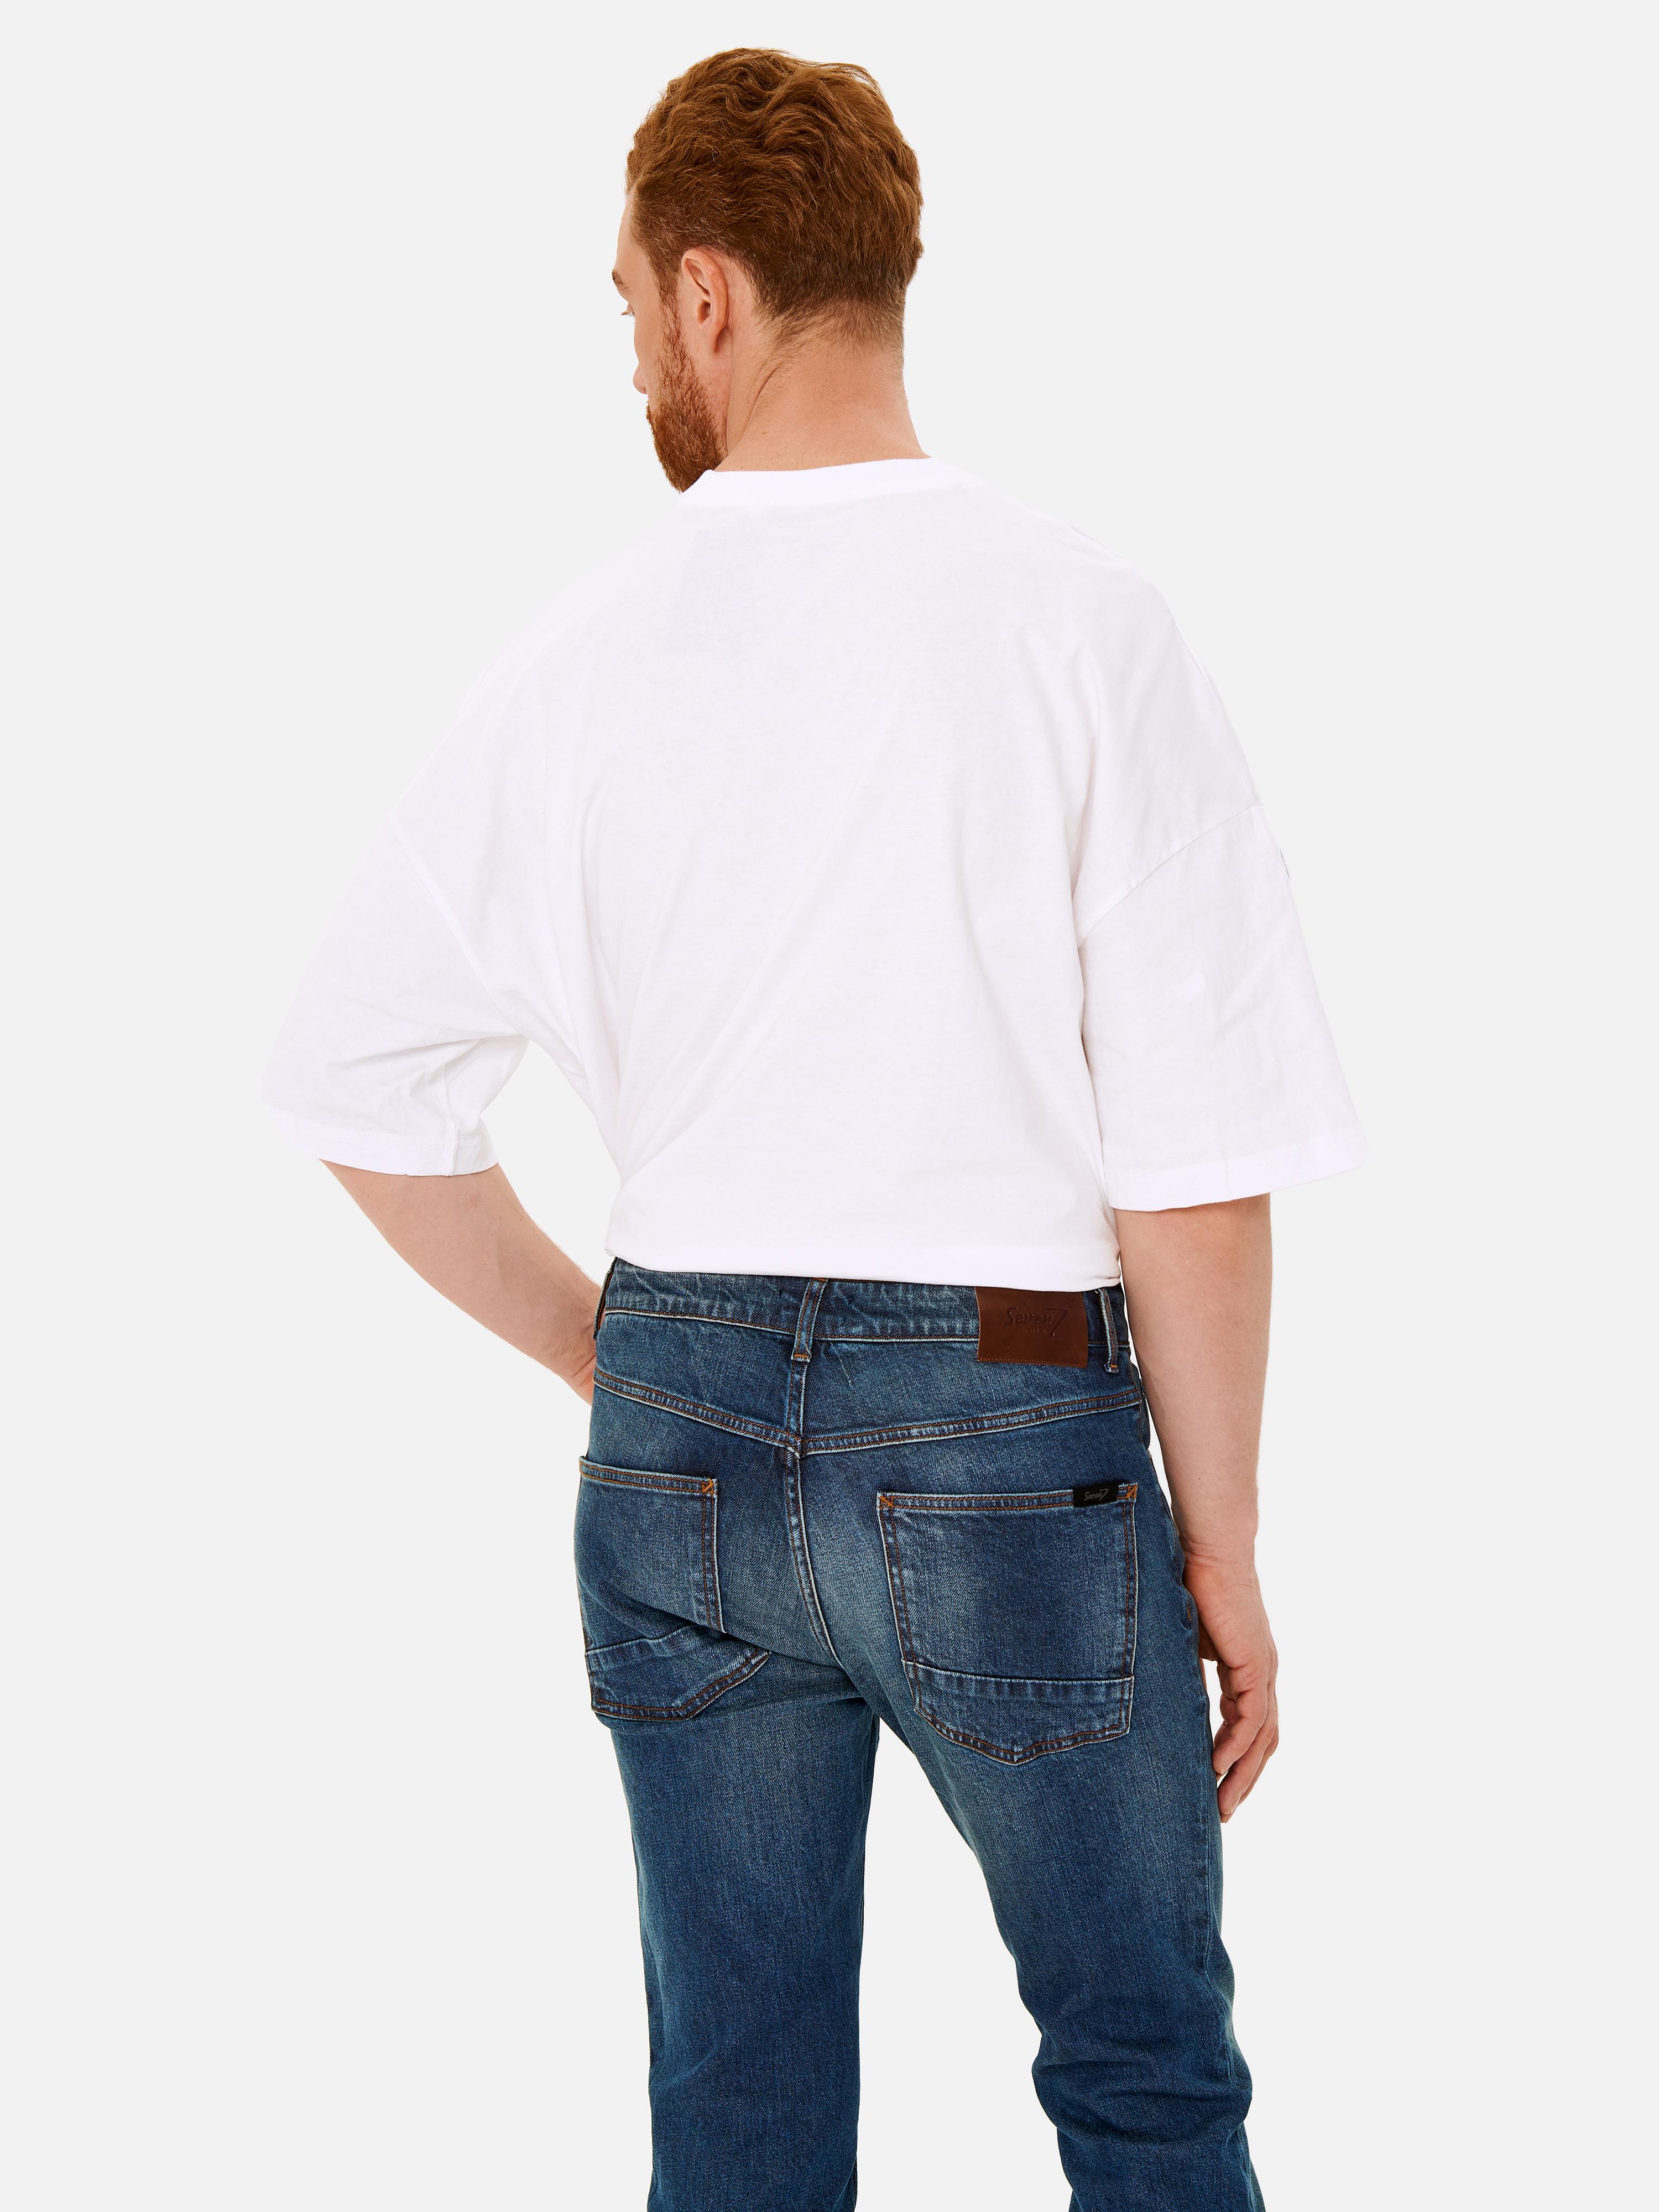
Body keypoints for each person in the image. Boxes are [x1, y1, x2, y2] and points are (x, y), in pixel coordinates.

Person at [264, 46, 1363, 2212]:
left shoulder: (578, 655)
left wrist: (622, 1352)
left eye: (625, 306)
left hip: (675, 1436)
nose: (633, 359)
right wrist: (1221, 1546)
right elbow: (1194, 1171)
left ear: (708, 291)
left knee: (739, 2113)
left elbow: (355, 1081)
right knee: (1143, 2077)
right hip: (1011, 1428)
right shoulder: (1082, 623)